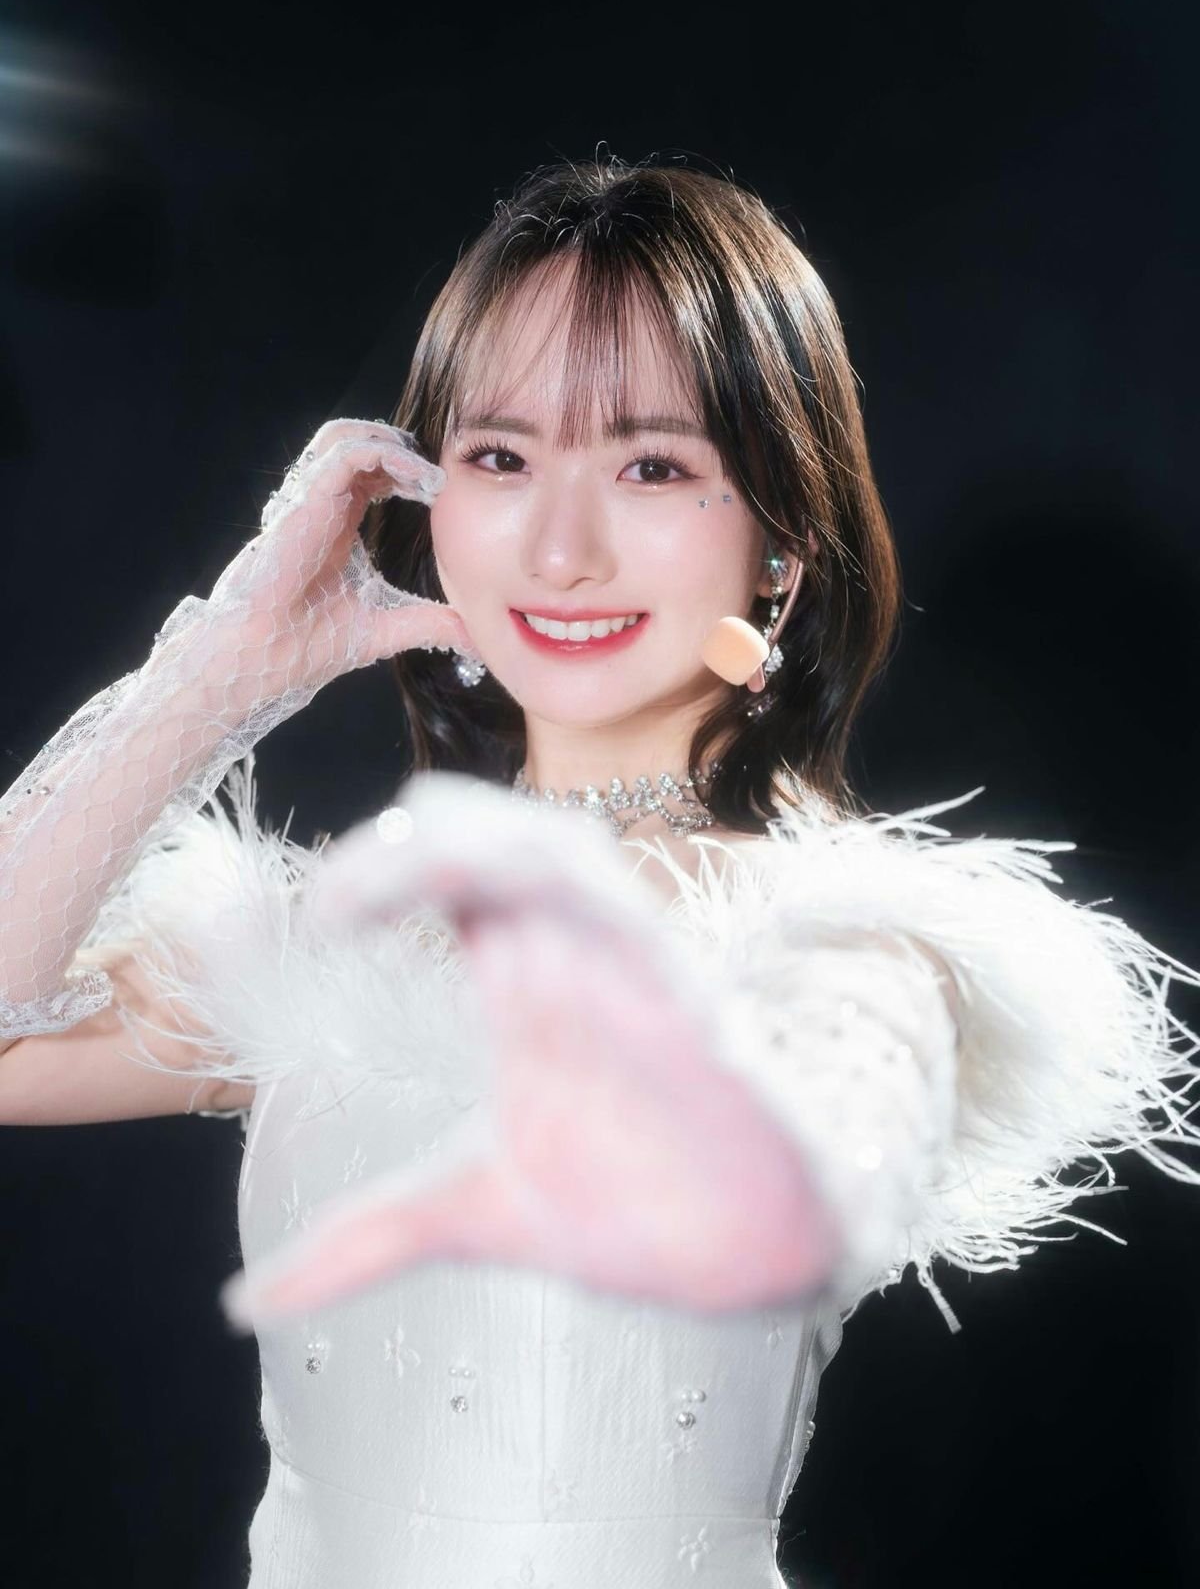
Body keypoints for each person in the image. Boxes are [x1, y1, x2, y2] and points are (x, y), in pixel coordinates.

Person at [2, 155, 1199, 1589]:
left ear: (782, 544)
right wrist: (222, 674)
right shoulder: (324, 940)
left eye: (652, 467)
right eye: (502, 460)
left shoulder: (858, 944)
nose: (561, 551)